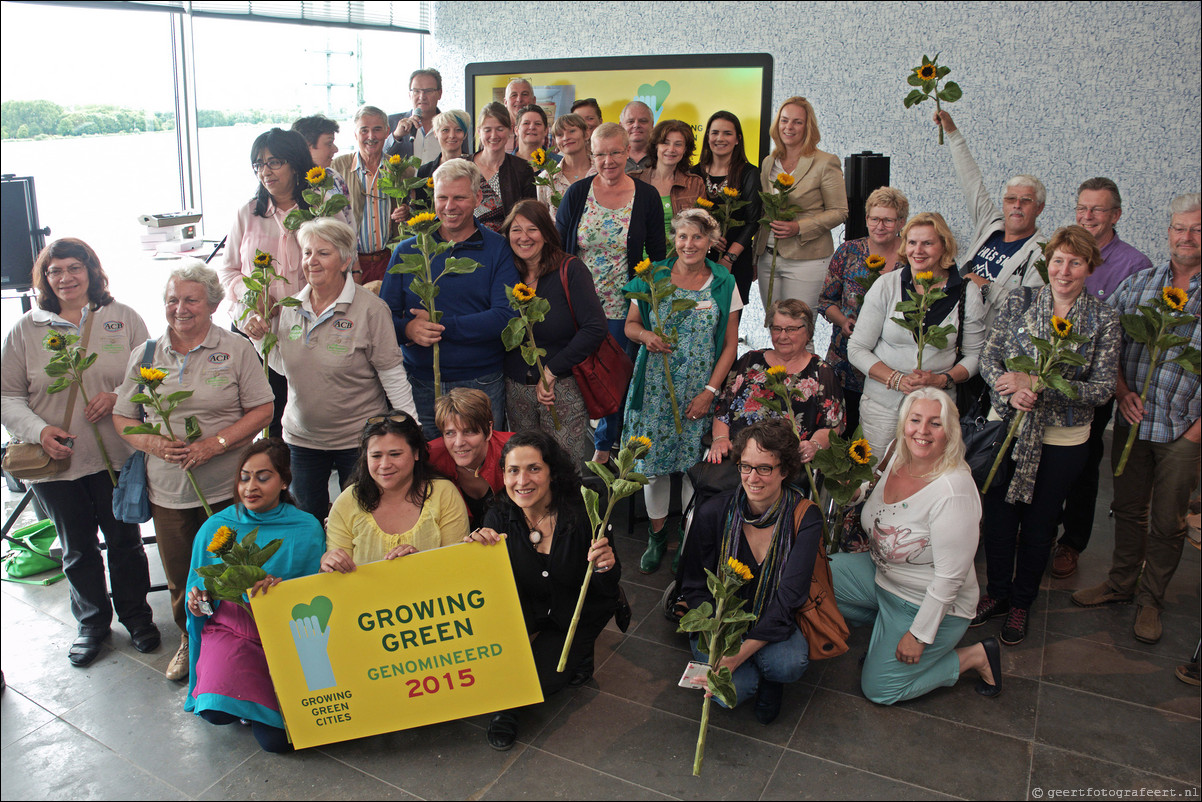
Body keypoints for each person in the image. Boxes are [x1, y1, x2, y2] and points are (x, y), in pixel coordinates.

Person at [112, 262, 274, 682]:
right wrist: (153, 443)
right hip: (169, 492)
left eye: (190, 299)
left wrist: (214, 445)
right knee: (183, 575)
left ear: (213, 304)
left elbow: (263, 408)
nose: (179, 308)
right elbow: (123, 417)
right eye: (172, 300)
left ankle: (247, 639)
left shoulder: (236, 349)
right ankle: (192, 639)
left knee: (238, 567)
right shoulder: (146, 355)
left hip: (230, 487)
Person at [1, 238, 158, 667]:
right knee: (77, 549)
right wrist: (39, 429)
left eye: (74, 268)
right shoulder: (27, 329)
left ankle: (137, 617)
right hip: (57, 462)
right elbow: (7, 395)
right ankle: (92, 623)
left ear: (91, 270)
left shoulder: (122, 318)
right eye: (55, 271)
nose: (66, 278)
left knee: (125, 542)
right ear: (45, 279)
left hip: (118, 458)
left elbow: (149, 375)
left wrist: (116, 395)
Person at [973, 225, 1120, 646]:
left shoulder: (1102, 319)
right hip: (1009, 429)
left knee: (1039, 527)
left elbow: (1101, 388)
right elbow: (989, 359)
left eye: (1075, 262)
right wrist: (1010, 386)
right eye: (1058, 260)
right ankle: (998, 593)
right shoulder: (1021, 301)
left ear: (1089, 267)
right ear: (1047, 263)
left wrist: (1038, 384)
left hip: (1062, 442)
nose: (1064, 269)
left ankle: (1022, 602)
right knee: (999, 521)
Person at [1072, 194, 1201, 645]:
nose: (1186, 237)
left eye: (1197, 229)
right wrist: (1122, 392)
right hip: (1133, 420)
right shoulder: (1141, 284)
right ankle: (1121, 583)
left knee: (1169, 521)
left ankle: (1151, 600)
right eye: (1179, 228)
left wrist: (1197, 431)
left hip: (1185, 429)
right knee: (1127, 509)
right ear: (1168, 232)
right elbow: (1112, 345)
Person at [830, 389, 1000, 704]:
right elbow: (875, 493)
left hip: (925, 601)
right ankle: (886, 628)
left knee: (880, 690)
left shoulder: (954, 491)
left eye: (935, 424)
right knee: (816, 577)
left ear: (950, 430)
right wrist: (853, 492)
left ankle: (974, 656)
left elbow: (951, 577)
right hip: (880, 575)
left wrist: (918, 635)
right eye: (915, 420)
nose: (922, 431)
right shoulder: (900, 452)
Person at [464, 430, 620, 750]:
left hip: (577, 609)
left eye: (534, 468)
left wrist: (606, 565)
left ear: (552, 472)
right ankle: (507, 708)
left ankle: (514, 703)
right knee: (488, 661)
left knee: (540, 680)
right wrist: (475, 556)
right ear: (504, 475)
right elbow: (488, 588)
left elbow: (607, 585)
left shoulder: (584, 512)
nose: (523, 480)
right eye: (513, 470)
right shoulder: (498, 515)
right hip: (529, 605)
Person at [256, 218, 416, 522]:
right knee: (307, 521)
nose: (311, 262)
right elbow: (284, 366)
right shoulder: (289, 306)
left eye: (322, 253)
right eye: (306, 253)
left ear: (345, 260)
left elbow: (392, 374)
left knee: (361, 520)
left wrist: (412, 426)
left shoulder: (371, 309)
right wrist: (259, 337)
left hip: (358, 441)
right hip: (302, 440)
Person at [184, 438, 324, 754]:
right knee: (215, 712)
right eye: (245, 476)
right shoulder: (216, 527)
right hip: (231, 631)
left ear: (284, 480)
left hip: (285, 636)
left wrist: (281, 589)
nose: (251, 486)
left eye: (263, 477)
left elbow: (317, 595)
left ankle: (254, 705)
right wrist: (198, 601)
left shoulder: (306, 527)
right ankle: (244, 702)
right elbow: (204, 605)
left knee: (276, 743)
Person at [681, 420, 823, 724]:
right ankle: (756, 671)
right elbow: (693, 584)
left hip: (774, 615)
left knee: (788, 664)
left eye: (764, 468)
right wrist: (715, 634)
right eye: (746, 466)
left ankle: (771, 678)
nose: (752, 478)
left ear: (785, 470)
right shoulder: (713, 512)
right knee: (729, 693)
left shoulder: (805, 517)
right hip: (720, 619)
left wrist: (737, 656)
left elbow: (789, 598)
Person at [624, 208, 741, 573]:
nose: (689, 244)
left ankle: (689, 540)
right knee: (654, 467)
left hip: (701, 390)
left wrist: (710, 391)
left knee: (696, 467)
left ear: (711, 242)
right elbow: (630, 325)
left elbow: (730, 346)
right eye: (682, 236)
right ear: (674, 239)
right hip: (656, 388)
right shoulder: (651, 276)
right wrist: (646, 336)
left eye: (698, 237)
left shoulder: (723, 282)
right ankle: (657, 537)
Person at [218, 127, 354, 436]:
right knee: (264, 421)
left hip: (310, 332)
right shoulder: (247, 214)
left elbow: (345, 265)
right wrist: (249, 303)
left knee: (308, 421)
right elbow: (228, 272)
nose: (265, 172)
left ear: (295, 163)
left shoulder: (322, 209)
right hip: (257, 333)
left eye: (274, 162)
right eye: (258, 164)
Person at [1051, 177, 1154, 579]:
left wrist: (1119, 387)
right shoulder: (1062, 252)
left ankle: (1072, 542)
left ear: (1116, 215)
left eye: (1097, 209)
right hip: (1049, 376)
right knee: (1045, 458)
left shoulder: (1135, 265)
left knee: (1083, 462)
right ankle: (1039, 528)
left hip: (1096, 382)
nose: (1087, 216)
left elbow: (1132, 340)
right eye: (1082, 207)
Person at [380, 158, 519, 433]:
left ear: (478, 197)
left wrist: (439, 326)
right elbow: (382, 320)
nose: (449, 206)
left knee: (479, 467)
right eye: (442, 197)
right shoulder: (407, 250)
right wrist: (408, 329)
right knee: (425, 465)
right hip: (419, 383)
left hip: (480, 381)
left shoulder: (498, 249)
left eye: (460, 197)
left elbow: (506, 317)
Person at [556, 122, 667, 463]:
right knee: (574, 374)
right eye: (600, 154)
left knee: (614, 378)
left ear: (628, 152)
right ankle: (570, 444)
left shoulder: (646, 197)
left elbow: (658, 256)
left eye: (616, 152)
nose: (608, 161)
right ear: (592, 154)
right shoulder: (577, 193)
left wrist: (650, 305)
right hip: (579, 305)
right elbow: (559, 250)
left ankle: (605, 446)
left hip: (624, 306)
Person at [848, 212, 986, 457]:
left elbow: (975, 356)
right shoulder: (887, 285)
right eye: (912, 242)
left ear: (944, 246)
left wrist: (942, 380)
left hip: (936, 411)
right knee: (877, 478)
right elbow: (857, 348)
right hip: (883, 406)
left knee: (928, 479)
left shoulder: (966, 293)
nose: (918, 250)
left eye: (927, 243)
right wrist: (897, 379)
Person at [502, 200, 607, 463]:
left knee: (563, 468)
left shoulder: (570, 269)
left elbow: (595, 327)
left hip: (562, 388)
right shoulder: (505, 272)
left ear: (547, 233)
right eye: (516, 230)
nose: (524, 237)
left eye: (532, 229)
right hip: (516, 390)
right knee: (526, 467)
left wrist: (551, 370)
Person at [934, 111, 1046, 327]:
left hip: (992, 340)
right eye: (1011, 199)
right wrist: (952, 133)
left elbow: (1028, 309)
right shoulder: (990, 224)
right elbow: (971, 182)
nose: (1017, 205)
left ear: (1039, 208)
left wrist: (984, 286)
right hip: (955, 327)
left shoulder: (1041, 255)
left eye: (1026, 201)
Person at [321, 411, 468, 572]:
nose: (384, 464)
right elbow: (338, 582)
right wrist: (330, 563)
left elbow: (457, 568)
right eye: (376, 456)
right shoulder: (346, 502)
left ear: (416, 453)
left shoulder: (444, 494)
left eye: (395, 454)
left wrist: (421, 564)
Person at [818, 187, 909, 435]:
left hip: (890, 365)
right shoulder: (848, 251)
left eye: (888, 220)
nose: (880, 226)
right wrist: (843, 321)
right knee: (840, 433)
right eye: (874, 218)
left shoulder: (911, 257)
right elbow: (825, 299)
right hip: (844, 361)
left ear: (901, 222)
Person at [710, 299, 844, 465]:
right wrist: (721, 438)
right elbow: (723, 409)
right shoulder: (750, 360)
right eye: (777, 329)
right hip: (739, 458)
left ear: (808, 332)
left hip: (787, 465)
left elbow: (831, 425)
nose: (782, 336)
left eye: (791, 329)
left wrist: (814, 445)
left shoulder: (821, 372)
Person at [753, 97, 849, 311]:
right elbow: (763, 210)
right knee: (775, 327)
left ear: (808, 127)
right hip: (768, 258)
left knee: (800, 330)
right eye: (784, 120)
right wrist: (754, 255)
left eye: (797, 122)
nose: (789, 127)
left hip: (807, 259)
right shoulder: (769, 162)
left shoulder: (825, 162)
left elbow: (840, 211)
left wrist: (799, 227)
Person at [692, 111, 763, 305]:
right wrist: (708, 240)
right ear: (707, 137)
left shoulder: (749, 173)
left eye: (727, 133)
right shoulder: (693, 173)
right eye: (715, 133)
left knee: (728, 326)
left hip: (734, 262)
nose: (720, 138)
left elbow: (753, 221)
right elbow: (687, 218)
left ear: (738, 139)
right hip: (697, 260)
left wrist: (729, 258)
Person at [332, 105, 404, 284]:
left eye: (377, 130)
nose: (371, 137)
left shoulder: (401, 169)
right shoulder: (336, 168)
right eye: (364, 130)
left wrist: (407, 211)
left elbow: (413, 210)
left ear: (387, 132)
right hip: (349, 264)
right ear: (355, 134)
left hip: (389, 261)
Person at [427, 388, 514, 521]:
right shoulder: (430, 457)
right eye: (450, 433)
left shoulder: (516, 450)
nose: (458, 443)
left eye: (469, 432)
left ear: (489, 430)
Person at [629, 119, 706, 238]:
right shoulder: (633, 180)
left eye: (678, 144)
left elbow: (702, 228)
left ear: (685, 149)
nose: (671, 149)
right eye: (665, 143)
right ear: (656, 146)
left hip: (679, 255)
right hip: (639, 255)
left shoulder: (695, 183)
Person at [471, 102, 536, 233]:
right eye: (487, 130)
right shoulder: (462, 166)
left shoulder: (522, 169)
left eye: (500, 129)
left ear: (510, 130)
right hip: (468, 246)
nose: (494, 135)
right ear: (479, 131)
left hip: (508, 246)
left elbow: (529, 215)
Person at [388, 68, 465, 164]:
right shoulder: (392, 122)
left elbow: (464, 160)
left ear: (440, 93)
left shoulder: (455, 125)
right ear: (409, 94)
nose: (422, 96)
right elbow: (377, 158)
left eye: (428, 91)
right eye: (416, 91)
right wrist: (396, 136)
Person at [536, 113, 594, 213]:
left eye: (572, 131)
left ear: (586, 134)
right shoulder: (546, 178)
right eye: (559, 134)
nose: (566, 137)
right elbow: (542, 221)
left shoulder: (603, 170)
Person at [291, 114, 349, 197]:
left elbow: (347, 209)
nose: (336, 149)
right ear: (306, 146)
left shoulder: (334, 177)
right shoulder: (289, 185)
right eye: (329, 143)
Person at [416, 109, 472, 181]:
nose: (452, 135)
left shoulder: (476, 166)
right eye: (445, 130)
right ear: (435, 133)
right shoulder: (424, 172)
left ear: (465, 134)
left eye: (458, 130)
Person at [619, 101, 655, 172]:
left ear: (652, 125)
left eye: (643, 121)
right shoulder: (612, 159)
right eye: (630, 121)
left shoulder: (662, 157)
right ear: (621, 126)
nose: (636, 125)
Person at [503, 78, 537, 151]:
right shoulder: (495, 135)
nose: (519, 99)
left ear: (534, 100)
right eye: (514, 95)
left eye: (524, 94)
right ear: (505, 102)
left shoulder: (546, 135)